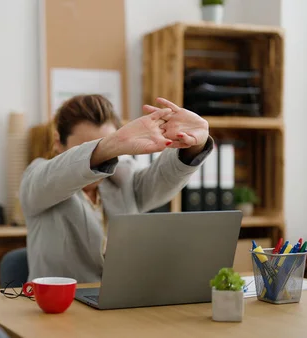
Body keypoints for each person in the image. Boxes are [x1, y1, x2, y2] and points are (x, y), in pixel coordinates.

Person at [19, 94, 213, 283]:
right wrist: (111, 145)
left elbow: (164, 179)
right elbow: (53, 176)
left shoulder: (122, 179)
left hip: (120, 305)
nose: (103, 157)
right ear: (58, 143)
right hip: (58, 309)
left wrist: (195, 145)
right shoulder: (39, 180)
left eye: (109, 145)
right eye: (86, 147)